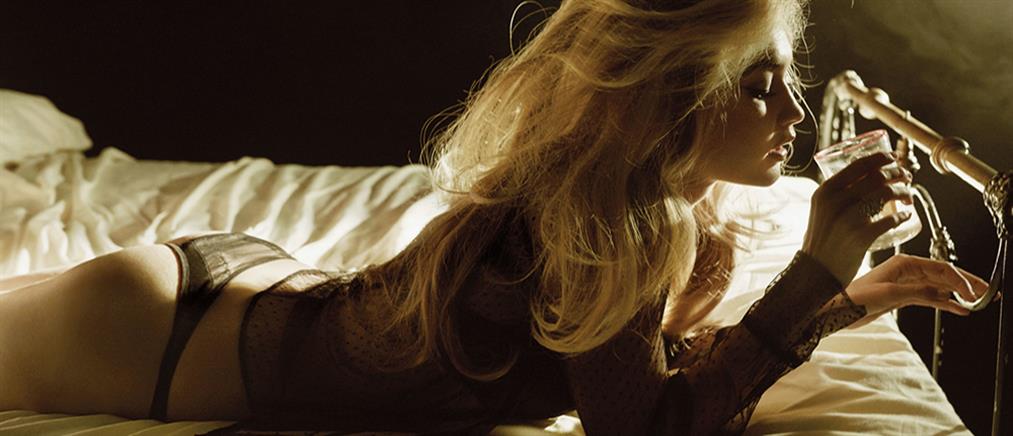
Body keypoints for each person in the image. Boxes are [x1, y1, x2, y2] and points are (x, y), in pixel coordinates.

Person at [0, 0, 989, 434]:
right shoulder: (614, 227)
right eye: (758, 83)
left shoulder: (651, 211)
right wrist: (813, 273)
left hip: (242, 295)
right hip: (156, 332)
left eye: (787, 80)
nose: (793, 114)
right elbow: (645, 429)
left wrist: (851, 297)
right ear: (669, 97)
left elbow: (648, 375)